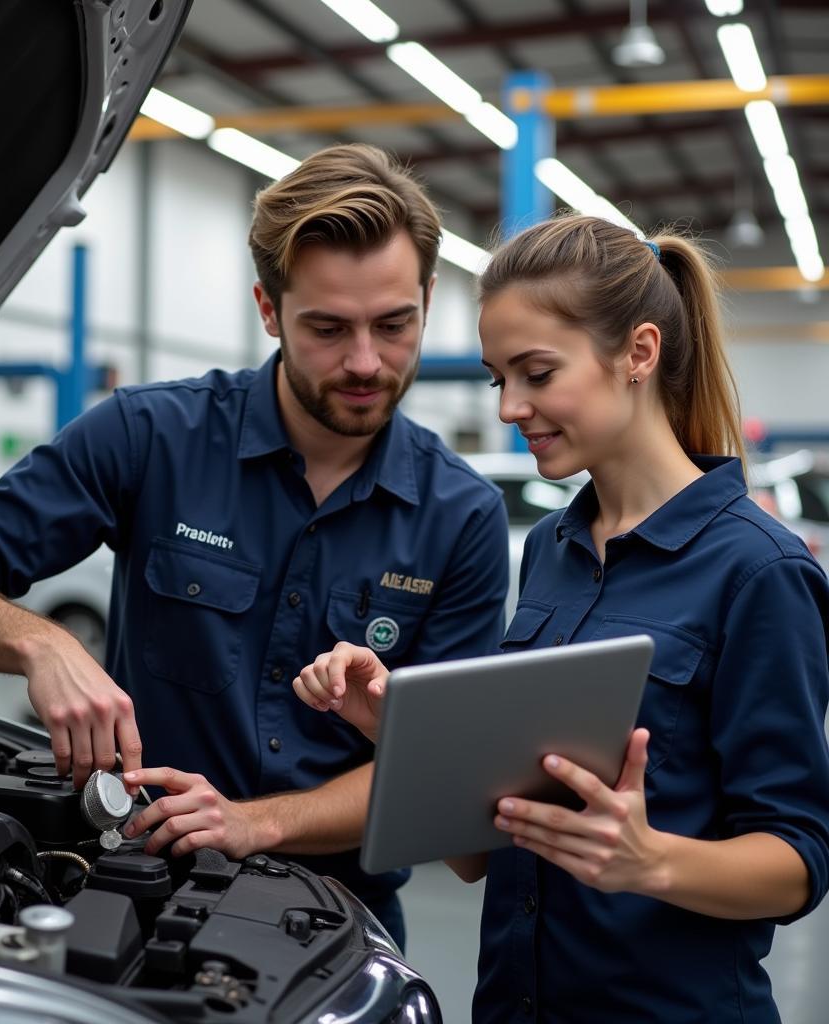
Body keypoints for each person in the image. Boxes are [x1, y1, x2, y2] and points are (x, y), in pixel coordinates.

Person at [0, 143, 510, 947]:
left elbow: (437, 772)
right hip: (137, 893)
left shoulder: (463, 515)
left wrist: (255, 823)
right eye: (326, 327)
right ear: (269, 310)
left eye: (394, 325)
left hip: (340, 923)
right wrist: (42, 644)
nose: (364, 361)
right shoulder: (150, 435)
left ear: (426, 298)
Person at [294, 214, 829, 1020]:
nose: (511, 406)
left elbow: (799, 857)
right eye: (497, 377)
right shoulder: (552, 546)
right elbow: (487, 851)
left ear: (639, 354)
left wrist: (650, 861)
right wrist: (396, 728)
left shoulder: (759, 570)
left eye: (538, 373)